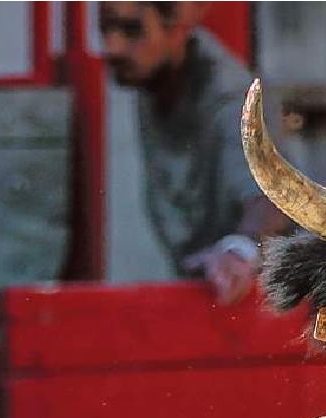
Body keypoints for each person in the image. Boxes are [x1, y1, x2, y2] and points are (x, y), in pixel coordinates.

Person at [99, 1, 289, 303]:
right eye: (105, 29)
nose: (112, 47)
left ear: (177, 27)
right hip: (204, 288)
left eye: (131, 30)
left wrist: (239, 250)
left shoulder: (229, 95)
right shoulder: (153, 78)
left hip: (257, 299)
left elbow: (273, 197)